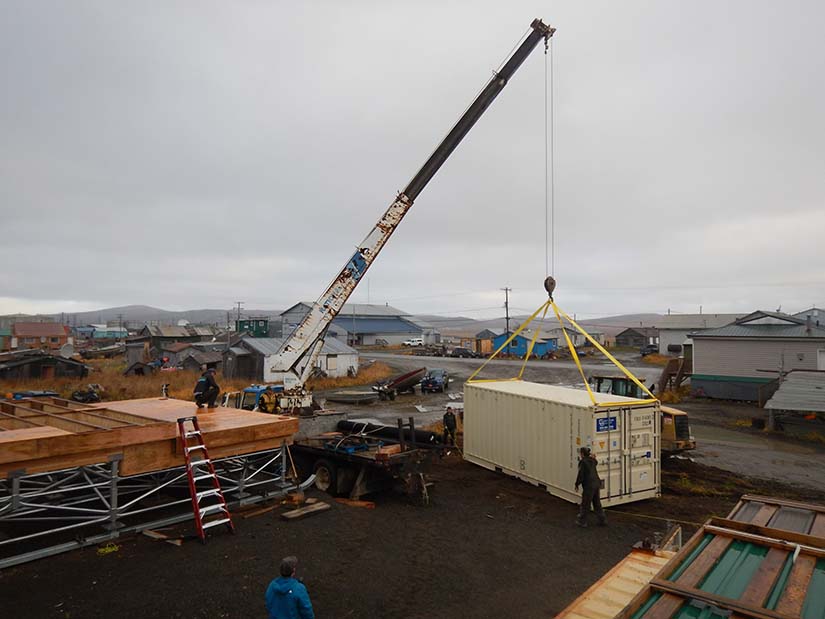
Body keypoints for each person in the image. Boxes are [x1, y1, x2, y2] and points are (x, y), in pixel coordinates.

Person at [574, 446, 606, 527]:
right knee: (597, 503)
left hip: (589, 485)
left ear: (582, 454)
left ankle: (582, 521)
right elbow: (595, 462)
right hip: (596, 483)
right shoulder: (593, 460)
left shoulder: (583, 462)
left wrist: (577, 484)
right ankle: (602, 519)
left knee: (585, 503)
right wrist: (592, 456)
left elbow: (581, 475)